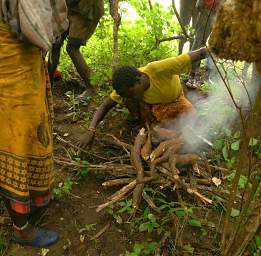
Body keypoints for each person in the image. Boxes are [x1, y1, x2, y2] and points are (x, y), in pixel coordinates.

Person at [0, 2, 59, 247]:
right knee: (15, 144)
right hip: (12, 71)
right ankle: (21, 228)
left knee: (30, 136)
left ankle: (32, 200)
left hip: (22, 66)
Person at [78, 47, 208, 148]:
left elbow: (200, 53)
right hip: (151, 105)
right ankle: (145, 124)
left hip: (175, 100)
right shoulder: (127, 87)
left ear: (138, 80)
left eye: (132, 93)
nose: (132, 97)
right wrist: (91, 130)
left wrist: (218, 48)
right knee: (128, 102)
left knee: (192, 118)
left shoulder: (159, 69)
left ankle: (159, 127)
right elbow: (105, 105)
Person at [48, 0, 104, 99]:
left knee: (72, 48)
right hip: (71, 9)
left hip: (86, 12)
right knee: (55, 43)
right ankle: (48, 84)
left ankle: (91, 88)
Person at [186, 0, 220, 88]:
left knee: (216, 45)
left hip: (219, 13)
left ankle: (207, 76)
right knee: (199, 42)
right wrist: (200, 4)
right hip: (206, 11)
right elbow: (199, 5)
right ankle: (193, 73)